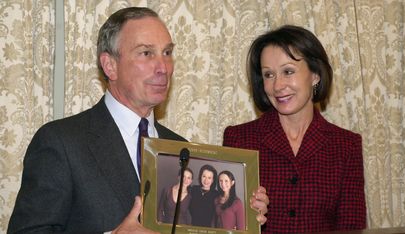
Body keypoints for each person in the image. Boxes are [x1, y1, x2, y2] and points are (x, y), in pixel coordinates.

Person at [8, 7, 268, 233]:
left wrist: (239, 212)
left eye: (167, 53)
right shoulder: (62, 142)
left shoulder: (181, 149)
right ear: (110, 65)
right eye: (146, 53)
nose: (163, 67)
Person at [223, 25, 366, 233]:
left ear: (315, 74)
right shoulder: (239, 139)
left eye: (288, 71)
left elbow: (351, 227)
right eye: (268, 75)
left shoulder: (346, 146)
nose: (278, 85)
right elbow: (225, 221)